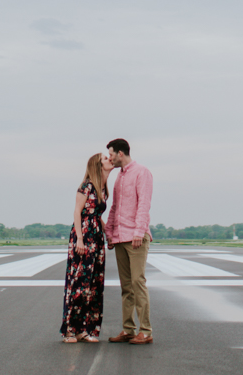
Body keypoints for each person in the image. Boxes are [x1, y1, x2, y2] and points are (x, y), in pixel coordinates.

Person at [104, 137, 153, 344]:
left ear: (120, 153)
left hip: (136, 237)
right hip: (120, 238)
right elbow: (114, 207)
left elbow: (144, 203)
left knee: (137, 282)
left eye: (111, 154)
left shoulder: (142, 172)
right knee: (126, 286)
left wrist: (138, 232)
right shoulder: (118, 178)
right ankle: (128, 329)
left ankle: (146, 331)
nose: (110, 158)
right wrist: (110, 233)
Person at [61, 152, 111, 343]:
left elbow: (97, 215)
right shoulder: (86, 186)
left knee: (93, 284)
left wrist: (108, 234)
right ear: (97, 166)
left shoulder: (102, 189)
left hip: (97, 237)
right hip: (83, 236)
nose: (109, 160)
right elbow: (77, 212)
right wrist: (79, 240)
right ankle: (69, 330)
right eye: (105, 159)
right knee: (79, 283)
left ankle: (84, 329)